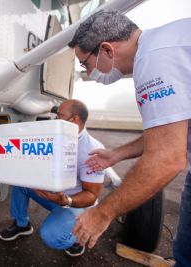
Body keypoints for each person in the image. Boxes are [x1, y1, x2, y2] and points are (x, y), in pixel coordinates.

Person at [67, 9, 191, 266]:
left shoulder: (154, 59)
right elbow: (170, 132)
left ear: (107, 50)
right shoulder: (165, 45)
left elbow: (167, 157)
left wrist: (102, 213)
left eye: (85, 63)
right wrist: (117, 154)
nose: (88, 72)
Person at [0, 99, 105, 257]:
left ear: (74, 120)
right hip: (53, 194)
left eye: (60, 115)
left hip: (75, 204)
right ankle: (22, 225)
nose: (56, 119)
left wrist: (66, 201)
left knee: (52, 236)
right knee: (20, 182)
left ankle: (77, 239)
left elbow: (91, 196)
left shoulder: (91, 150)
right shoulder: (55, 135)